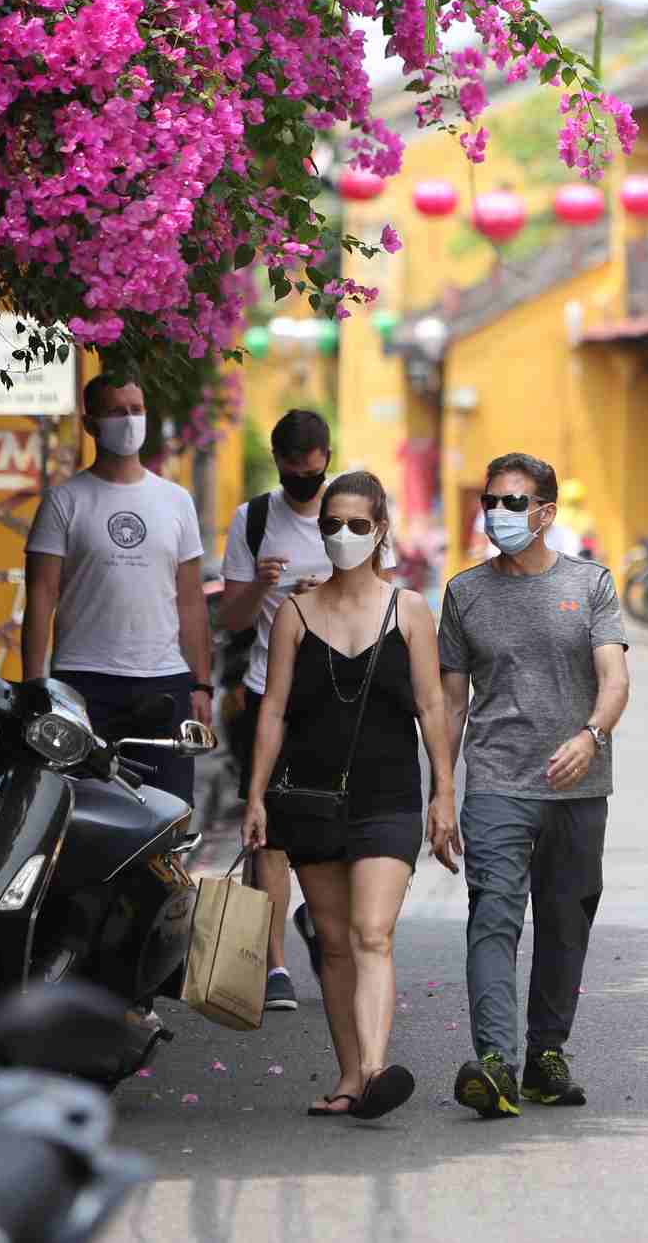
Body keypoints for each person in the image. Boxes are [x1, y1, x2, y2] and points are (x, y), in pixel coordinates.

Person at [241, 472, 459, 1120]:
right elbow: (273, 711)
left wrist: (443, 791)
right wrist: (255, 796)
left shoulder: (410, 611)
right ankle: (349, 1074)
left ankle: (373, 1068)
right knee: (334, 939)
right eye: (331, 523)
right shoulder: (295, 613)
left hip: (389, 795)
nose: (343, 535)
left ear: (382, 528)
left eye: (358, 524)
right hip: (308, 795)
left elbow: (430, 704)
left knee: (372, 932)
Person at [441, 452, 630, 1117]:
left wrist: (591, 735)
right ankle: (495, 1062)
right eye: (490, 501)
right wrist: (442, 790)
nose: (497, 513)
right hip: (496, 780)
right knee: (493, 914)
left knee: (565, 921)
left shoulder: (592, 583)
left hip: (579, 787)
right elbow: (450, 703)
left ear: (546, 513)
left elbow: (614, 678)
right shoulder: (464, 593)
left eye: (513, 503)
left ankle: (547, 1055)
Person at [218, 409, 371, 1012]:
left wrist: (326, 595)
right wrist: (261, 587)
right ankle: (274, 964)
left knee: (344, 827)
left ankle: (319, 919)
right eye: (295, 469)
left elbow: (374, 592)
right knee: (271, 832)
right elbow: (228, 618)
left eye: (316, 468)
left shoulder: (348, 517)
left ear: (328, 456)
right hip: (267, 690)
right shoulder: (253, 519)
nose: (307, 478)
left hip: (338, 694)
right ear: (280, 462)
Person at [23, 373, 212, 808]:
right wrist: (36, 687)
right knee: (81, 813)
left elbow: (191, 600)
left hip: (164, 682)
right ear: (91, 424)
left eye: (136, 410)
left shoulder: (176, 501)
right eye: (116, 412)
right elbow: (41, 597)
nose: (129, 421)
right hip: (82, 683)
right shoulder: (63, 501)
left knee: (167, 815)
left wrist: (201, 685)